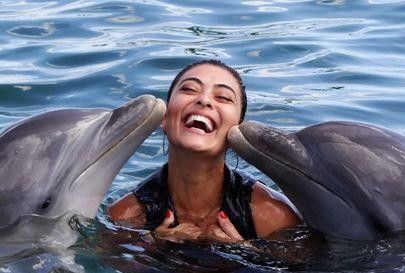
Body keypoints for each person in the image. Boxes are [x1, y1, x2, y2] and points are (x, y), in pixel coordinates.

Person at [108, 59, 301, 243]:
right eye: (189, 89)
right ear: (164, 119)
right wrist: (152, 248)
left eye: (223, 97)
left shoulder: (272, 216)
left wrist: (242, 253)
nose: (204, 100)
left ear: (237, 133)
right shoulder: (127, 214)